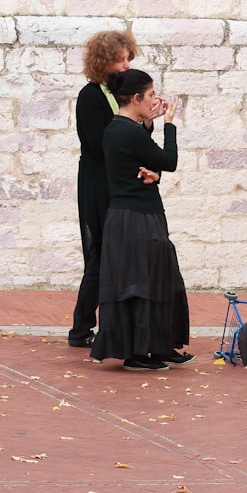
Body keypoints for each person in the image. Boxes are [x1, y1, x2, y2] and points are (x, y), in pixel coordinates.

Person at [90, 68, 193, 371]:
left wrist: (149, 123)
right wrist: (169, 124)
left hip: (132, 215)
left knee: (154, 281)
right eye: (149, 96)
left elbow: (143, 165)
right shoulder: (128, 132)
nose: (154, 100)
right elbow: (168, 161)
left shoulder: (118, 129)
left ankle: (157, 347)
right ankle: (138, 353)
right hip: (136, 219)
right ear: (135, 98)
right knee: (142, 285)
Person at [68, 30, 161, 347]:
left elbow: (139, 142)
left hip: (123, 185)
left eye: (127, 60)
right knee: (101, 256)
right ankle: (82, 328)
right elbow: (96, 145)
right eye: (119, 60)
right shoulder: (91, 96)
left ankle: (110, 328)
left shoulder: (124, 97)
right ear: (103, 63)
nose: (125, 66)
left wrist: (146, 120)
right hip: (99, 185)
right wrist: (130, 124)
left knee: (118, 256)